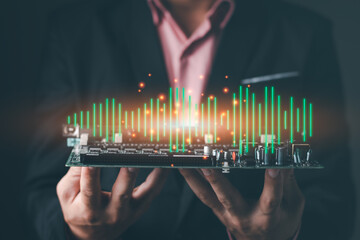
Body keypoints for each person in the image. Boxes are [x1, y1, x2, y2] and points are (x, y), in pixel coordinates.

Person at [26, 0, 355, 239]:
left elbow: (333, 193)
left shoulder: (304, 32)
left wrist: (289, 234)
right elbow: (42, 190)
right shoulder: (73, 32)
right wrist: (78, 230)